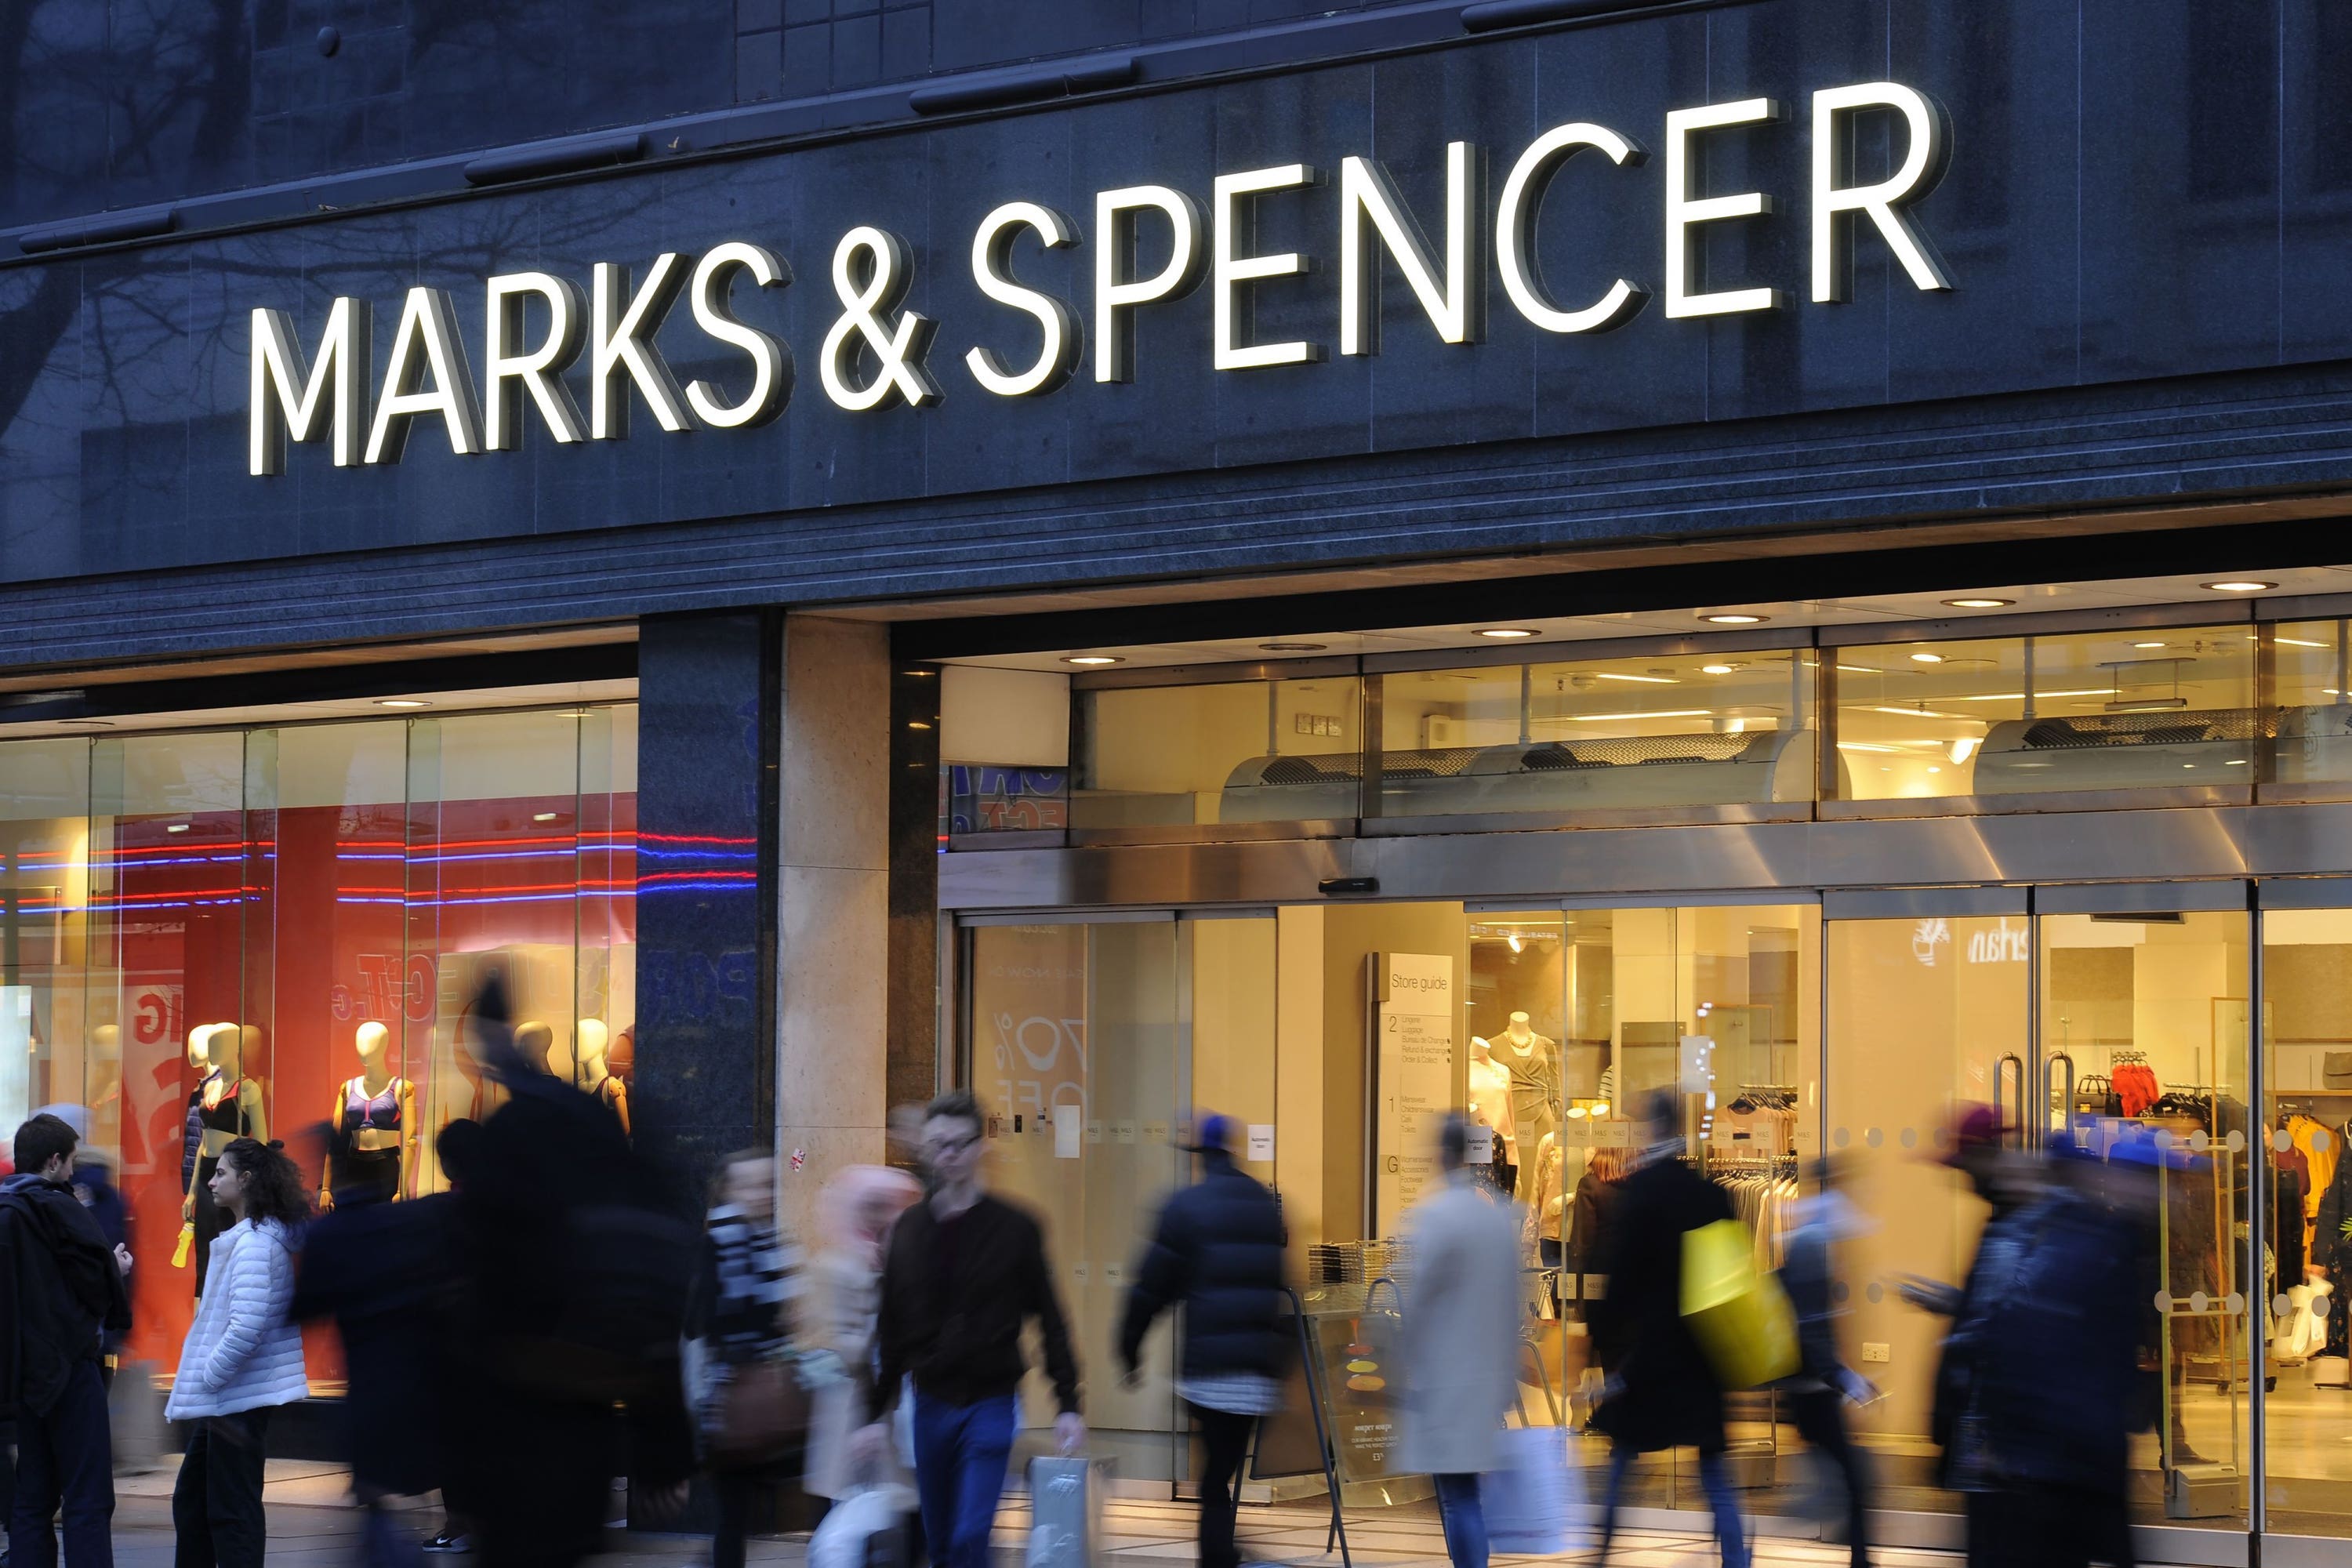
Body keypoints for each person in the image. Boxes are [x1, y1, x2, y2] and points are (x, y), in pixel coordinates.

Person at [861, 1090, 1084, 1568]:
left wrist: (1068, 1401)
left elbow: (1049, 1315)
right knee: (941, 1541)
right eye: (939, 1144)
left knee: (969, 1532)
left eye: (960, 1143)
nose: (949, 1155)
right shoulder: (910, 1229)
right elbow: (892, 1323)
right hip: (931, 1402)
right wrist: (876, 1410)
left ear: (979, 1147)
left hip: (991, 1400)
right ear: (925, 1148)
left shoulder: (1016, 1228)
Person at [1116, 1113, 1288, 1568]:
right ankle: (1224, 1551)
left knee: (1213, 1480)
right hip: (1256, 1375)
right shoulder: (1263, 1203)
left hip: (1208, 1375)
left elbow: (1150, 1288)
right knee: (1221, 1471)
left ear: (1199, 1157)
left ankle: (1218, 1556)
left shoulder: (1186, 1205)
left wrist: (1128, 1348)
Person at [292, 1128, 464, 1568]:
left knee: (375, 1492)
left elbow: (307, 1306)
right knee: (414, 1480)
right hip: (420, 1369)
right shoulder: (407, 1221)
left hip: (369, 1376)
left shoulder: (331, 1233)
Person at [1590, 1089, 1748, 1568]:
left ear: (1649, 1129)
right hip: (1703, 1352)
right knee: (1714, 1471)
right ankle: (1737, 1559)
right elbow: (1734, 1279)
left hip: (1651, 1354)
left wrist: (1602, 1347)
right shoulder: (1711, 1194)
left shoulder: (1640, 1195)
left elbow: (1621, 1283)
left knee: (1623, 1462)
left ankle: (1600, 1555)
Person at [165, 1136, 310, 1568]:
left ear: (245, 1180)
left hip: (235, 1397)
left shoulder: (254, 1246)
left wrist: (210, 1376)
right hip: (231, 1397)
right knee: (197, 1502)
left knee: (229, 1510)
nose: (211, 1181)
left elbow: (247, 1327)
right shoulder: (253, 1240)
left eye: (221, 1173)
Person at [0, 1112, 132, 1568]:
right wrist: (115, 1271)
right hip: (71, 1368)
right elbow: (93, 1288)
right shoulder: (60, 1207)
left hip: (26, 1376)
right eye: (72, 1161)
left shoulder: (6, 1210)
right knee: (87, 1495)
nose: (75, 1171)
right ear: (54, 1161)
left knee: (32, 1496)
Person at [1392, 1114, 1522, 1568]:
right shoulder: (1498, 1217)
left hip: (1444, 1378)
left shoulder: (1434, 1215)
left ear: (1441, 1155)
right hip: (1485, 1376)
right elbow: (1511, 1302)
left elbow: (1419, 1300)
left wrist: (1400, 1360)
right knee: (1467, 1492)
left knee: (1456, 1496)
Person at [687, 1149, 804, 1568]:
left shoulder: (774, 1242)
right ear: (729, 1190)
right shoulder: (717, 1243)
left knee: (745, 1506)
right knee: (733, 1511)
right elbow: (701, 1321)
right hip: (729, 1394)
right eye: (750, 1184)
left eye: (767, 1184)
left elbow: (786, 1319)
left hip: (767, 1394)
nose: (760, 1193)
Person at [804, 1165, 921, 1512]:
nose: (879, 1216)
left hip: (896, 1409)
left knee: (900, 1509)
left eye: (886, 1207)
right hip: (849, 1407)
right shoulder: (833, 1266)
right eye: (871, 1206)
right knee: (848, 1516)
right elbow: (835, 1342)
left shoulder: (900, 1263)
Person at [1778, 1157, 1877, 1568]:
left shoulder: (1810, 1235)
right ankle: (1857, 1555)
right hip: (1812, 1388)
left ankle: (1854, 1549)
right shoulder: (1813, 1241)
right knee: (1856, 1480)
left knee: (1848, 1476)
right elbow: (1811, 1324)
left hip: (1811, 1386)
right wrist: (1845, 1377)